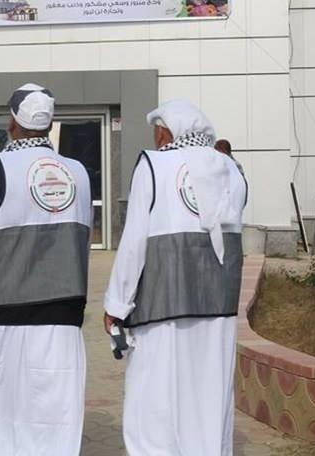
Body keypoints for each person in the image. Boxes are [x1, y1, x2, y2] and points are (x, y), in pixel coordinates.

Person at [0, 83, 92, 455]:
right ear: (49, 123)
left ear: (12, 123)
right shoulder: (78, 172)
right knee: (50, 413)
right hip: (61, 313)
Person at [103, 100, 246, 455]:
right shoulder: (231, 170)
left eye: (158, 132)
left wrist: (117, 305)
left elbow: (134, 242)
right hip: (218, 307)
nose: (156, 139)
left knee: (153, 400)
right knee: (208, 395)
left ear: (166, 134)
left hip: (161, 306)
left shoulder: (154, 165)